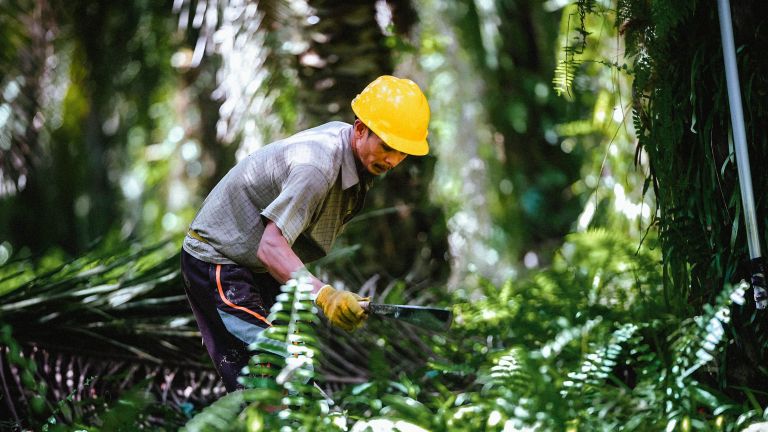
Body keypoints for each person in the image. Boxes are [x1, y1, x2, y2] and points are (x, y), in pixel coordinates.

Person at [180, 75, 431, 391]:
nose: (393, 160)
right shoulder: (317, 166)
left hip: (253, 265)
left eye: (402, 152)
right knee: (269, 377)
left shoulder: (353, 157)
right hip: (217, 261)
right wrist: (325, 295)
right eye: (386, 146)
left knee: (294, 373)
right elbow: (271, 247)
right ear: (359, 129)